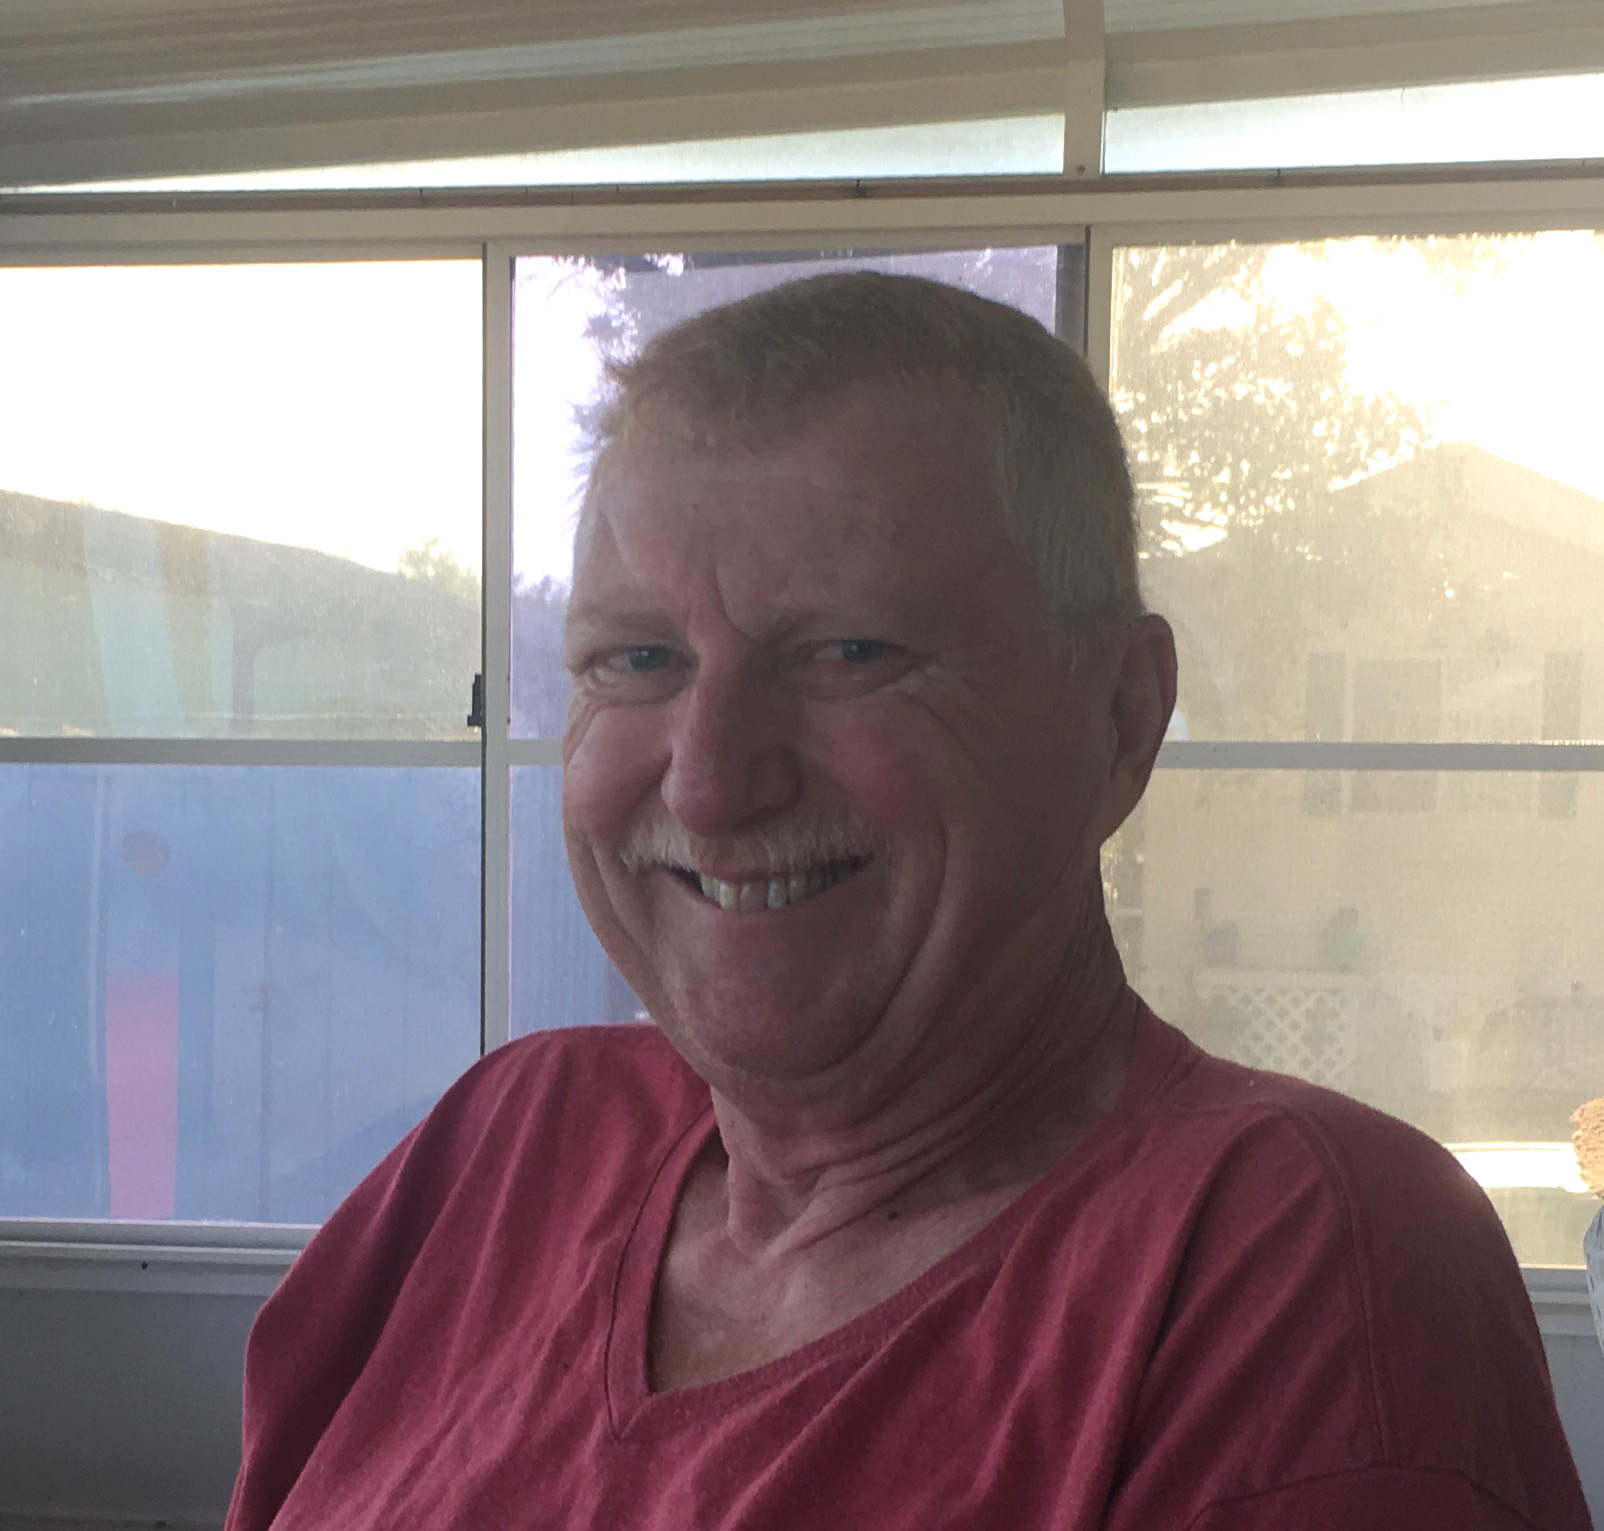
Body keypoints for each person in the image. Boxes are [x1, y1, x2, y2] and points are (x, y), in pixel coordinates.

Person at [225, 273, 1591, 1530]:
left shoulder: (1287, 1272)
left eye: (848, 651)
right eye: (637, 659)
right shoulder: (508, 1145)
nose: (709, 782)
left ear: (1120, 718)